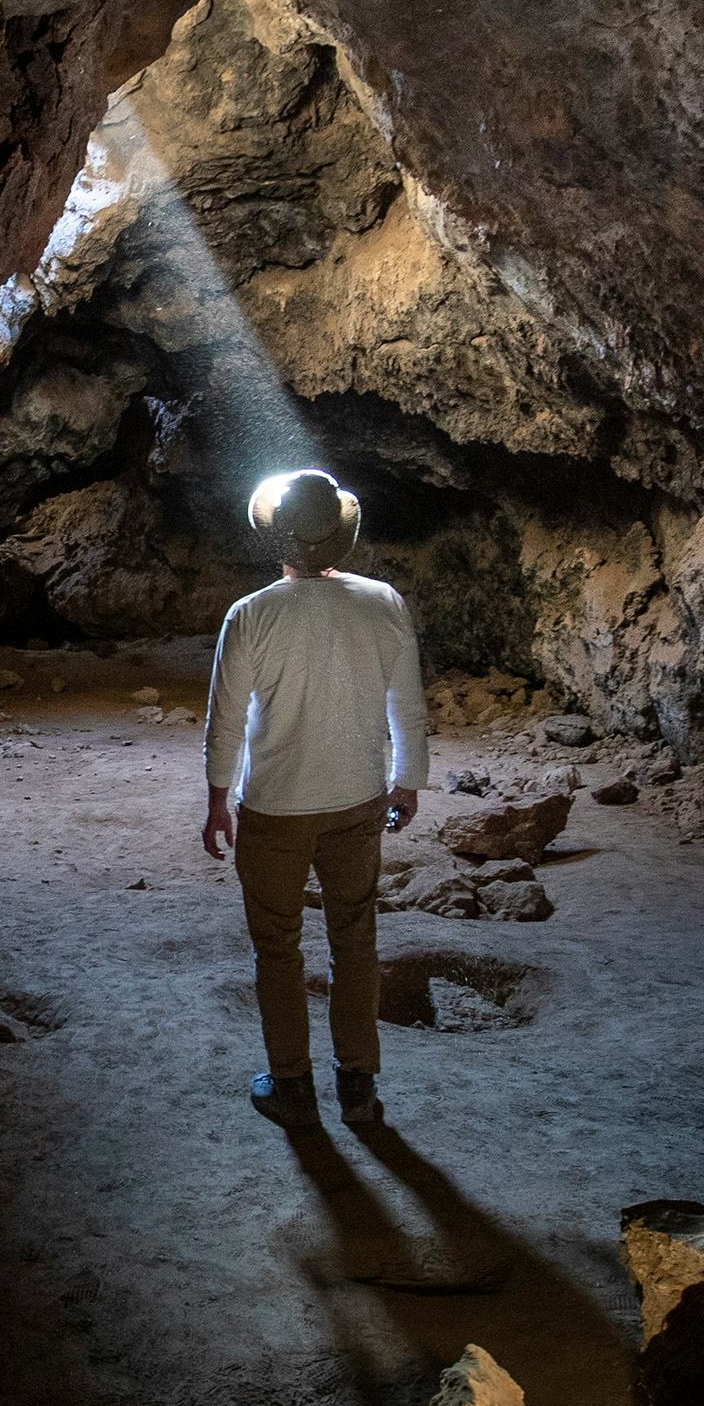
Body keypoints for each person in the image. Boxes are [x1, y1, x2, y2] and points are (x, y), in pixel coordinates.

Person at [199, 468, 428, 1129]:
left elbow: (226, 721)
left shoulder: (252, 615)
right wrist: (407, 779)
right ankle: (357, 1085)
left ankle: (292, 1088)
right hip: (357, 802)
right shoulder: (382, 602)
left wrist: (219, 800)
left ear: (278, 541)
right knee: (355, 940)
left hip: (274, 809)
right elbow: (406, 706)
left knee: (278, 949)